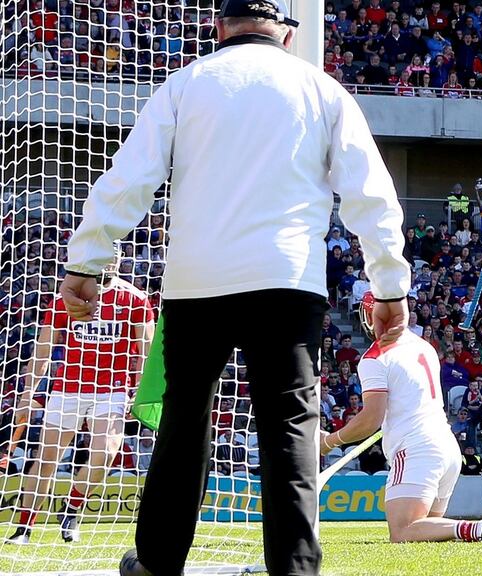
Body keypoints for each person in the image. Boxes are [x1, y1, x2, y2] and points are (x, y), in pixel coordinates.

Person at [57, 2, 412, 574]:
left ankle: (157, 561)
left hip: (198, 282)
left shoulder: (184, 85)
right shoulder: (321, 90)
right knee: (291, 425)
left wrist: (88, 261)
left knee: (183, 420)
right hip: (287, 279)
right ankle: (295, 568)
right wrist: (390, 286)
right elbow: (371, 194)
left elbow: (129, 179)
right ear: (288, 35)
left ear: (219, 28)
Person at [320, 293, 482, 543]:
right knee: (426, 534)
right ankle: (476, 530)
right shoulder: (424, 346)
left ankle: (480, 529)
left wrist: (329, 441)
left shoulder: (375, 357)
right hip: (446, 447)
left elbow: (371, 419)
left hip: (417, 449)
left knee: (403, 531)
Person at [7, 260, 154, 544]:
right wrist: (27, 396)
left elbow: (146, 351)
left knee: (105, 454)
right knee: (46, 460)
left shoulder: (134, 297)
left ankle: (71, 508)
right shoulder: (69, 295)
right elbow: (43, 350)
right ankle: (24, 529)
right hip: (68, 388)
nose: (107, 263)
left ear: (119, 260)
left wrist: (141, 392)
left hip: (112, 388)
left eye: (113, 257)